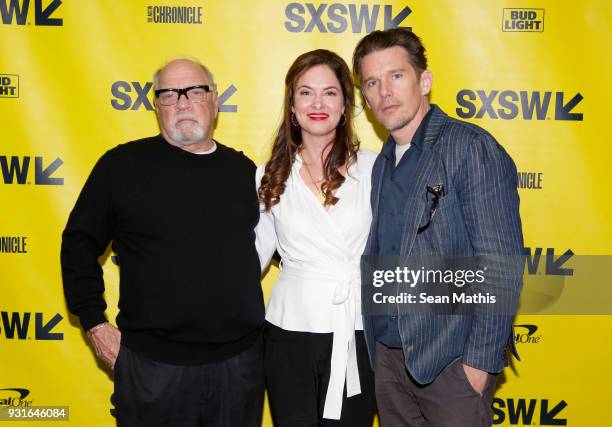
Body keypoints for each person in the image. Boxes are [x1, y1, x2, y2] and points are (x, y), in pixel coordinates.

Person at [61, 58, 265, 427]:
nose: (183, 103)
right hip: (151, 370)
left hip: (239, 369)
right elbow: (78, 244)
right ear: (156, 106)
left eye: (195, 91)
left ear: (215, 101)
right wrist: (94, 322)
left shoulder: (244, 171)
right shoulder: (121, 166)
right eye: (169, 94)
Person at [352, 29, 524, 426]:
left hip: (451, 364)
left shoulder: (469, 147)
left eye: (396, 76)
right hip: (391, 361)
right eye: (372, 83)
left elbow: (500, 266)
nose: (384, 93)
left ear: (424, 81)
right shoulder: (382, 162)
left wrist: (477, 368)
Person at [256, 49, 377, 426]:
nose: (318, 103)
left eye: (330, 92)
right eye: (306, 92)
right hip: (288, 332)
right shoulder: (267, 175)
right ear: (291, 105)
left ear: (346, 104)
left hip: (358, 329)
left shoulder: (377, 168)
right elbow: (251, 259)